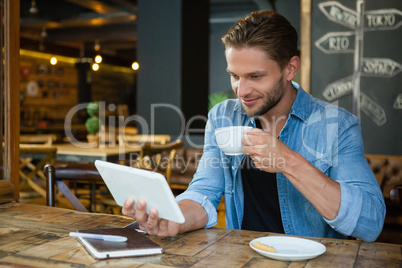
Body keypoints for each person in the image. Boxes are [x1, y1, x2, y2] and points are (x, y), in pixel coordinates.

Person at [123, 10, 385, 242]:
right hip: (243, 258)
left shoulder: (337, 125)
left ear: (290, 68)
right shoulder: (222, 117)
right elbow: (204, 193)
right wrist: (173, 219)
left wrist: (288, 161)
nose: (242, 90)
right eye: (234, 76)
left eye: (256, 76)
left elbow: (370, 223)